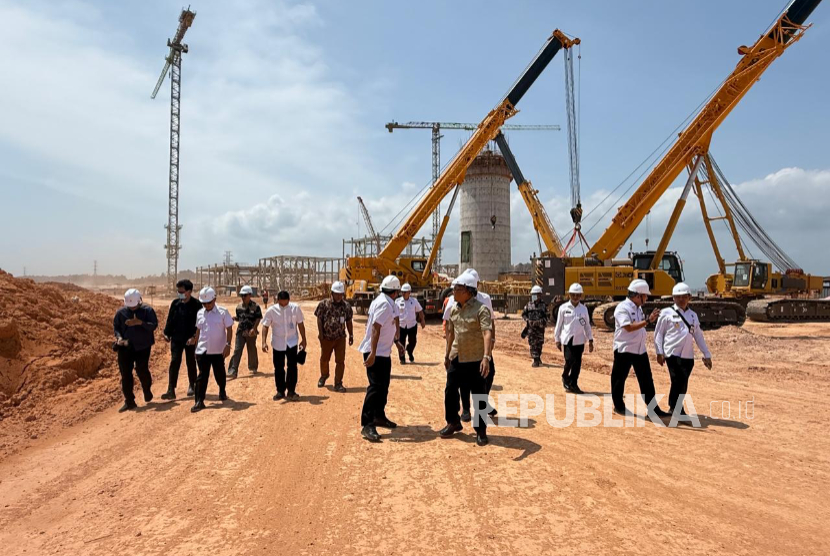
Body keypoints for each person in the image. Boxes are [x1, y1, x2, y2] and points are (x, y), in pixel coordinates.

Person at [440, 272, 493, 446]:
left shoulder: (481, 309)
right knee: (450, 390)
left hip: (475, 358)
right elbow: (451, 333)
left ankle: (481, 430)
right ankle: (453, 422)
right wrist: (447, 354)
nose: (453, 291)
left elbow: (487, 333)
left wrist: (486, 357)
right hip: (457, 356)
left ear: (468, 291)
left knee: (479, 395)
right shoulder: (454, 309)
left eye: (457, 289)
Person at [610, 279, 671, 417]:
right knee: (619, 379)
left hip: (639, 350)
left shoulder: (638, 308)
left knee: (647, 380)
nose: (647, 298)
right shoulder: (622, 308)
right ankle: (618, 406)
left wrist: (647, 321)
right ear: (638, 295)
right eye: (645, 296)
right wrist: (648, 321)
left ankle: (653, 409)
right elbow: (628, 327)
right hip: (624, 349)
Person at [654, 282, 713, 415]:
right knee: (676, 380)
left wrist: (706, 354)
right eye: (678, 297)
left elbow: (698, 336)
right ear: (673, 298)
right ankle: (676, 409)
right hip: (672, 353)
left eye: (684, 297)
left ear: (689, 298)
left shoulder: (693, 315)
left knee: (683, 383)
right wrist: (659, 352)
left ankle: (675, 407)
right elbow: (658, 334)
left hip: (688, 355)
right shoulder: (666, 313)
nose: (681, 299)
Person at [357, 276, 402, 442]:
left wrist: (397, 342)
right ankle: (367, 424)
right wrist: (373, 353)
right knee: (375, 387)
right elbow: (375, 328)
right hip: (375, 352)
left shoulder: (387, 302)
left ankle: (378, 416)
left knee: (383, 386)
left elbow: (388, 327)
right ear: (395, 292)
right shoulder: (384, 304)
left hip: (383, 352)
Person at [113, 288, 158, 412]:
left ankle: (146, 389)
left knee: (141, 369)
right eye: (130, 306)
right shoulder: (121, 313)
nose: (132, 308)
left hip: (143, 346)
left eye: (134, 306)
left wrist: (140, 323)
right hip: (125, 346)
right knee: (125, 373)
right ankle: (129, 401)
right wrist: (119, 338)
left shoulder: (148, 311)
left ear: (140, 301)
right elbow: (116, 327)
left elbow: (153, 326)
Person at [191, 287, 234, 412]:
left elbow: (229, 328)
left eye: (209, 303)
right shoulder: (200, 313)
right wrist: (195, 347)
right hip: (203, 350)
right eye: (204, 303)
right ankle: (199, 401)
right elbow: (198, 330)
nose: (206, 305)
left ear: (214, 299)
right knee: (202, 376)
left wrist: (228, 345)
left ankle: (222, 390)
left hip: (218, 350)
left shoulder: (223, 312)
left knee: (219, 373)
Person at [261, 291, 307, 401]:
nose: (283, 305)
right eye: (281, 303)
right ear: (277, 301)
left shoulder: (295, 308)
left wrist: (304, 339)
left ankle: (291, 391)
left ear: (289, 300)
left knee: (292, 367)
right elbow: (265, 326)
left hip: (292, 342)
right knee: (278, 367)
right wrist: (263, 342)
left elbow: (300, 324)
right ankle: (280, 391)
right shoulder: (271, 310)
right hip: (278, 343)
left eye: (285, 303)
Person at [162, 279, 202, 399]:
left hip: (190, 339)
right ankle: (171, 389)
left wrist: (195, 337)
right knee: (174, 361)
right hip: (176, 338)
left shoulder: (197, 305)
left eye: (182, 292)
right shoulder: (175, 304)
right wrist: (166, 333)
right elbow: (170, 320)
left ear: (189, 291)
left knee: (191, 362)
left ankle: (192, 385)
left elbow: (200, 323)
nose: (179, 294)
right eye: (178, 291)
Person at [553, 283, 594, 394]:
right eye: (573, 295)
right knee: (569, 360)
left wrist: (590, 340)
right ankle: (565, 376)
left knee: (577, 364)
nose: (575, 297)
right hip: (568, 339)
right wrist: (557, 339)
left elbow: (587, 325)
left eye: (578, 295)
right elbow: (558, 325)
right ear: (569, 295)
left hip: (580, 340)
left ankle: (573, 383)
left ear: (581, 295)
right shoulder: (563, 308)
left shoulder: (583, 309)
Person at [315, 281, 354, 392]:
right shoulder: (323, 304)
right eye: (336, 294)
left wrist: (351, 335)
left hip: (340, 338)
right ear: (331, 293)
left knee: (340, 361)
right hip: (326, 338)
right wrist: (321, 334)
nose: (338, 296)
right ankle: (324, 375)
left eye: (340, 294)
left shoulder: (346, 306)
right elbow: (319, 319)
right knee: (324, 359)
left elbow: (349, 321)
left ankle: (338, 383)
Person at [227, 285, 262, 379]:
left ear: (250, 295)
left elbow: (258, 318)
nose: (243, 297)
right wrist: (234, 318)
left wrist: (254, 328)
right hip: (241, 331)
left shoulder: (255, 307)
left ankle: (253, 367)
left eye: (245, 295)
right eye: (241, 295)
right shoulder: (239, 307)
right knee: (237, 350)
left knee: (251, 349)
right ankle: (233, 371)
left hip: (251, 332)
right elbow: (240, 318)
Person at [396, 283, 425, 364]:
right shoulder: (397, 301)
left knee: (413, 342)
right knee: (401, 342)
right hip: (401, 325)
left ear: (409, 292)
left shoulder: (414, 301)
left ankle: (409, 350)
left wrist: (422, 320)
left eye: (405, 292)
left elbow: (420, 310)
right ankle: (402, 358)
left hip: (412, 325)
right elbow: (394, 314)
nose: (403, 293)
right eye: (402, 292)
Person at [522, 284, 548, 367]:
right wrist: (528, 320)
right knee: (533, 344)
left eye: (536, 295)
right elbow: (524, 314)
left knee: (539, 344)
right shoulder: (528, 305)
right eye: (533, 295)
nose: (534, 296)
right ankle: (535, 360)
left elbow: (547, 317)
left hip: (540, 329)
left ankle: (538, 357)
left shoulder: (543, 305)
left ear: (539, 295)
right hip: (531, 329)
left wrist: (540, 322)